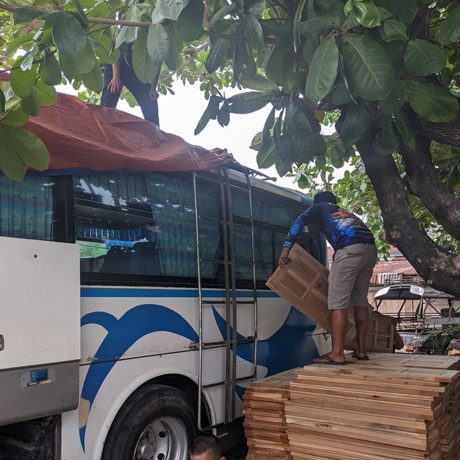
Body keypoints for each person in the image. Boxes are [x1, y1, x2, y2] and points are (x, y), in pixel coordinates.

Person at [278, 191, 377, 365]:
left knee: (337, 302)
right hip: (370, 248)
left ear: (317, 203)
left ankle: (338, 353)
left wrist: (286, 248)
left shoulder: (319, 208)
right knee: (360, 301)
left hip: (349, 248)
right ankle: (361, 351)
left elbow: (299, 222)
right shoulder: (345, 213)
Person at [101, 44, 160, 126]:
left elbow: (156, 64)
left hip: (134, 67)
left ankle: (154, 133)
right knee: (111, 93)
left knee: (149, 99)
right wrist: (116, 77)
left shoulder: (155, 43)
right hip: (116, 62)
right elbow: (116, 49)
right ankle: (103, 127)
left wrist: (153, 88)